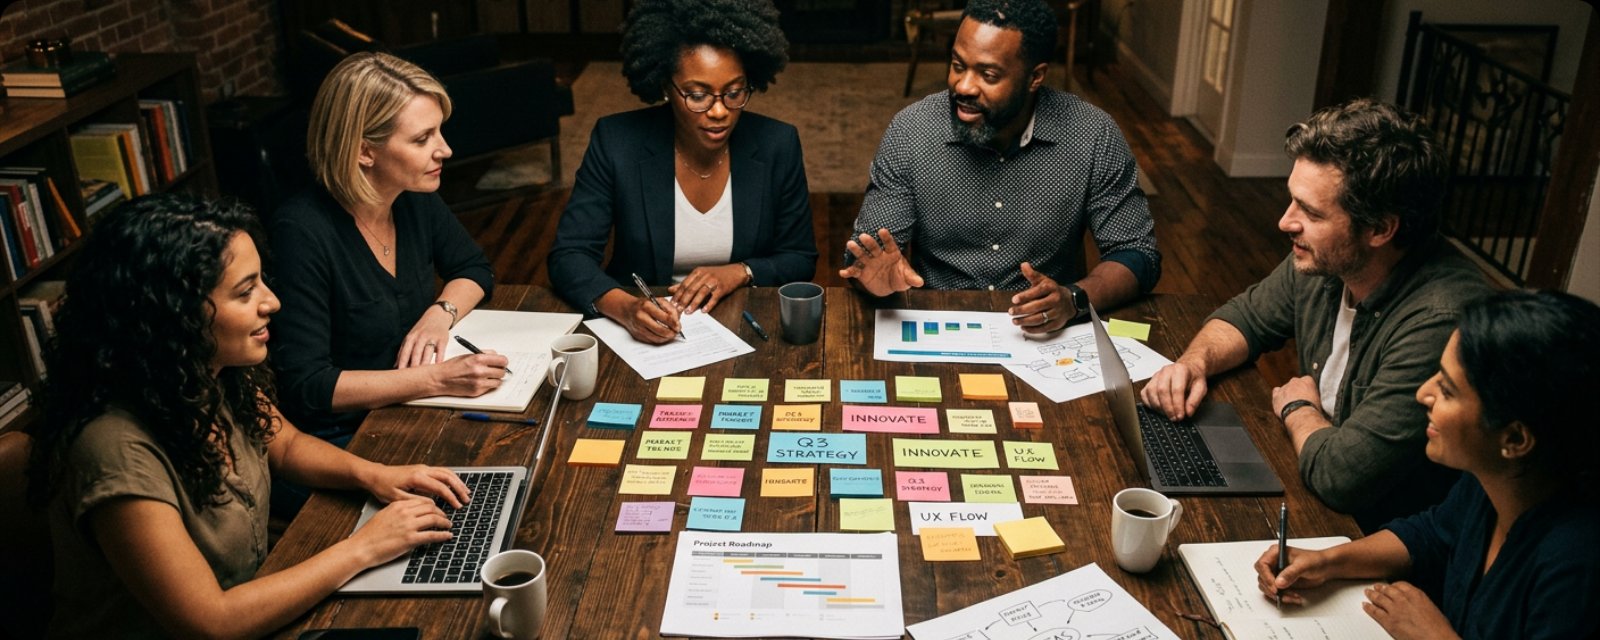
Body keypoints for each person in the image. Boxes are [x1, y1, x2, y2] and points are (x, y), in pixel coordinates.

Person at [25, 195, 469, 639]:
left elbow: (287, 445)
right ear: (173, 313)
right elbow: (213, 621)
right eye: (245, 292)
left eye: (262, 282)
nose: (272, 301)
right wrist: (364, 548)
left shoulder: (204, 375)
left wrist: (375, 475)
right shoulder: (114, 449)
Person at [1141, 99, 1492, 530]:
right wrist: (1194, 363)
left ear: (1380, 228)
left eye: (1310, 212)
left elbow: (1343, 476)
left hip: (1372, 535)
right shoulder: (1328, 257)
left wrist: (1299, 408)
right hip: (1311, 480)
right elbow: (1245, 317)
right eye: (1293, 201)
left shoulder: (1439, 319)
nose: (1285, 222)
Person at [1257, 290, 1600, 639]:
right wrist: (1327, 561)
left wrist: (1434, 636)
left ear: (1514, 439)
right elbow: (1431, 533)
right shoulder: (1494, 478)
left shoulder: (1576, 563)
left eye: (1448, 390)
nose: (1423, 393)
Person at [840, 0, 1159, 333]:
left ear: (1035, 77)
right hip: (941, 326)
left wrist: (1073, 298)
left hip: (1049, 336)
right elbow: (869, 256)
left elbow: (1136, 253)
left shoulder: (1091, 134)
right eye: (957, 65)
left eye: (988, 75)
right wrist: (872, 278)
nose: (963, 86)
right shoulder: (912, 131)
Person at [547, 0, 818, 344]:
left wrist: (740, 272)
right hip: (644, 331)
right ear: (665, 86)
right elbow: (569, 255)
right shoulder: (618, 142)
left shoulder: (777, 143)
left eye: (734, 92)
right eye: (697, 95)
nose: (719, 111)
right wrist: (626, 308)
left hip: (744, 325)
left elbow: (799, 257)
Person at [270, 52, 507, 443]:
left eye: (439, 131)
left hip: (416, 406)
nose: (445, 150)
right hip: (346, 435)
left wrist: (440, 313)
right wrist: (435, 379)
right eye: (422, 139)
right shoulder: (301, 232)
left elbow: (473, 268)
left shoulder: (411, 195)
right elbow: (308, 384)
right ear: (364, 151)